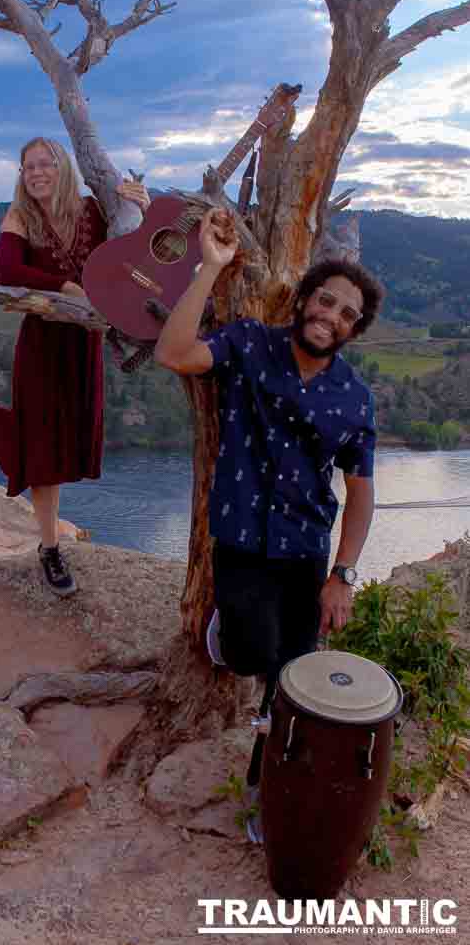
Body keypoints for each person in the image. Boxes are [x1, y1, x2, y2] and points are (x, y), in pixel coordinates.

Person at [154, 208, 384, 842]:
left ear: (353, 328)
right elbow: (172, 351)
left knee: (291, 683)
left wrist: (343, 575)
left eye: (346, 313)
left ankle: (267, 788)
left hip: (305, 550)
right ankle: (230, 633)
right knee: (251, 651)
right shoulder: (250, 344)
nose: (331, 315)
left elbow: (361, 494)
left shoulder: (354, 399)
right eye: (325, 300)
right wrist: (209, 267)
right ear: (305, 299)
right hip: (239, 538)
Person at [0, 137, 149, 596]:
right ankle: (50, 549)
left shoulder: (93, 211)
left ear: (63, 169)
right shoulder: (20, 217)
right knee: (44, 452)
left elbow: (132, 251)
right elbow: (7, 271)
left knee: (70, 438)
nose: (36, 173)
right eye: (28, 166)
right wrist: (63, 285)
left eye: (45, 164)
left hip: (85, 344)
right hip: (42, 342)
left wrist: (141, 203)